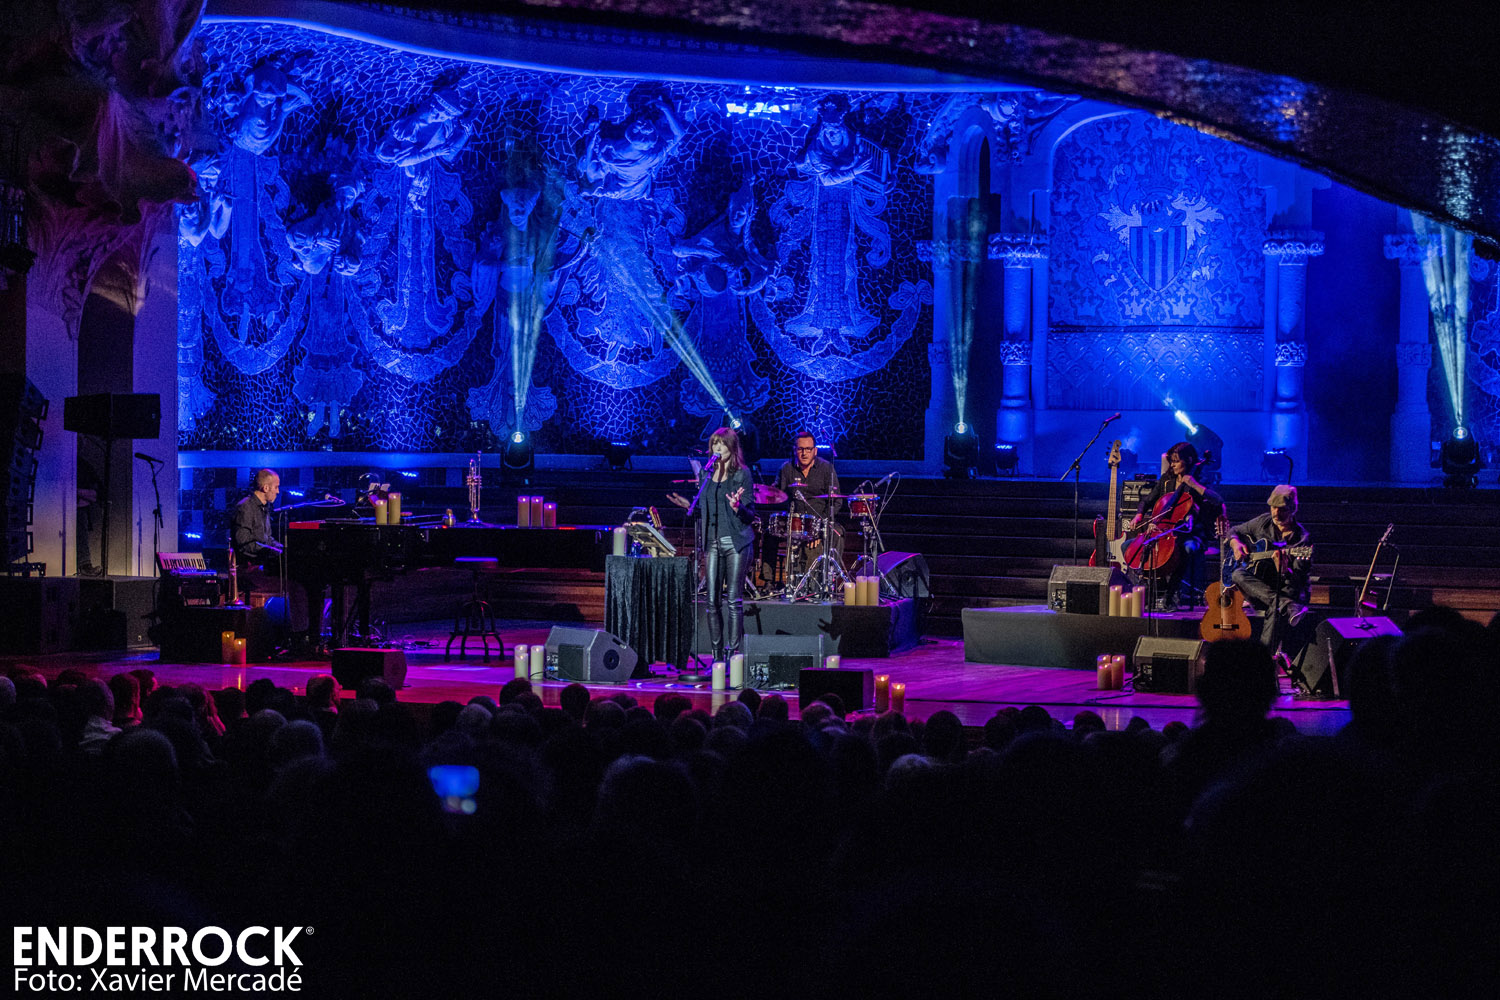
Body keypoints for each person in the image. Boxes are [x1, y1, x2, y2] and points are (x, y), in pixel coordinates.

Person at [667, 428, 758, 662]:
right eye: (714, 443)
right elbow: (703, 508)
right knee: (711, 601)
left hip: (736, 542)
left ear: (732, 447)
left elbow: (750, 514)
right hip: (713, 543)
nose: (717, 448)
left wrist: (738, 507)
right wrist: (688, 504)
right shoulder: (706, 474)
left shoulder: (742, 474)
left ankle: (732, 654)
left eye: (722, 444)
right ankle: (717, 657)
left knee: (733, 600)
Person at [230, 469, 325, 657]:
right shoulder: (246, 507)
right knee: (297, 586)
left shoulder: (264, 508)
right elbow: (244, 543)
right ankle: (299, 637)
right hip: (249, 568)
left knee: (302, 584)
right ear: (265, 488)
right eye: (276, 487)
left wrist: (284, 549)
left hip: (264, 564)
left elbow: (267, 539)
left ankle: (305, 637)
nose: (278, 491)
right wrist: (272, 551)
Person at [1127, 441, 1223, 611]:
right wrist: (1140, 514)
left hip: (1192, 533)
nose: (1172, 465)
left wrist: (1194, 484)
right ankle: (1158, 590)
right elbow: (1147, 501)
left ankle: (1170, 595)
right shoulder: (1166, 481)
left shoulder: (1200, 479)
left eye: (1176, 461)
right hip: (1163, 531)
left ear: (1189, 460)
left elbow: (1218, 501)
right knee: (1130, 547)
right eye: (1171, 461)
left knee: (1184, 549)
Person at [1227, 484, 1313, 653]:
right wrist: (1235, 544)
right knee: (1237, 574)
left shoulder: (1302, 540)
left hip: (1287, 590)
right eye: (1273, 508)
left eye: (1282, 510)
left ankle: (1263, 658)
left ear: (1293, 509)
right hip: (1261, 589)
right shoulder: (1263, 522)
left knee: (1276, 608)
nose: (1276, 513)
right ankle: (1286, 605)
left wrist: (1284, 570)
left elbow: (1298, 581)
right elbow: (1234, 530)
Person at [774, 430, 842, 580]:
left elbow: (837, 501)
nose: (804, 453)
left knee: (837, 532)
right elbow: (776, 494)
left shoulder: (827, 469)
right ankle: (768, 581)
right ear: (795, 450)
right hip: (794, 521)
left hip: (819, 520)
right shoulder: (786, 469)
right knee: (769, 534)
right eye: (800, 449)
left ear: (815, 451)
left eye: (808, 449)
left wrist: (819, 527)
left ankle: (829, 578)